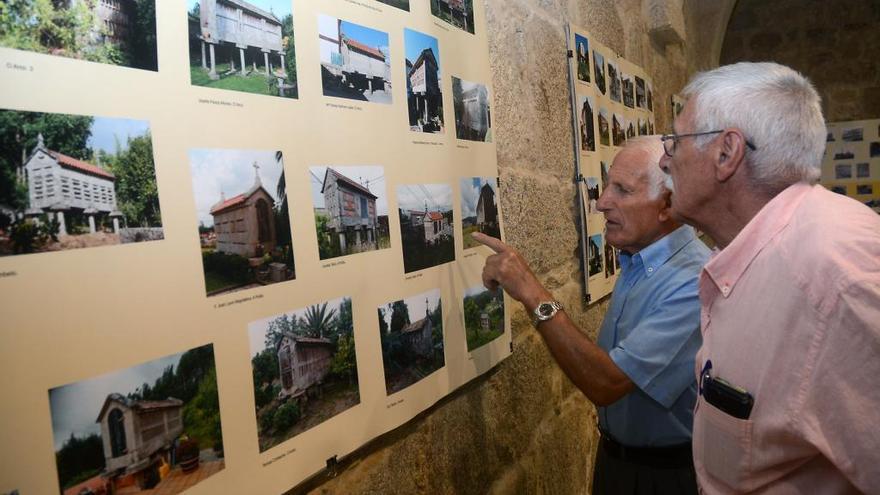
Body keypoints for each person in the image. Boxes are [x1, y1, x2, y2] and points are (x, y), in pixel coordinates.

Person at [659, 62, 880, 493]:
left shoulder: (836, 282)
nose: (665, 159)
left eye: (676, 141)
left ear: (726, 153)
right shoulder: (757, 248)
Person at [475, 136, 710, 494]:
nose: (601, 203)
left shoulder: (693, 281)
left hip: (664, 478)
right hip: (619, 464)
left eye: (622, 190)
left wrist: (531, 291)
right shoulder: (638, 260)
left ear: (667, 204)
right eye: (605, 187)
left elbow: (607, 383)